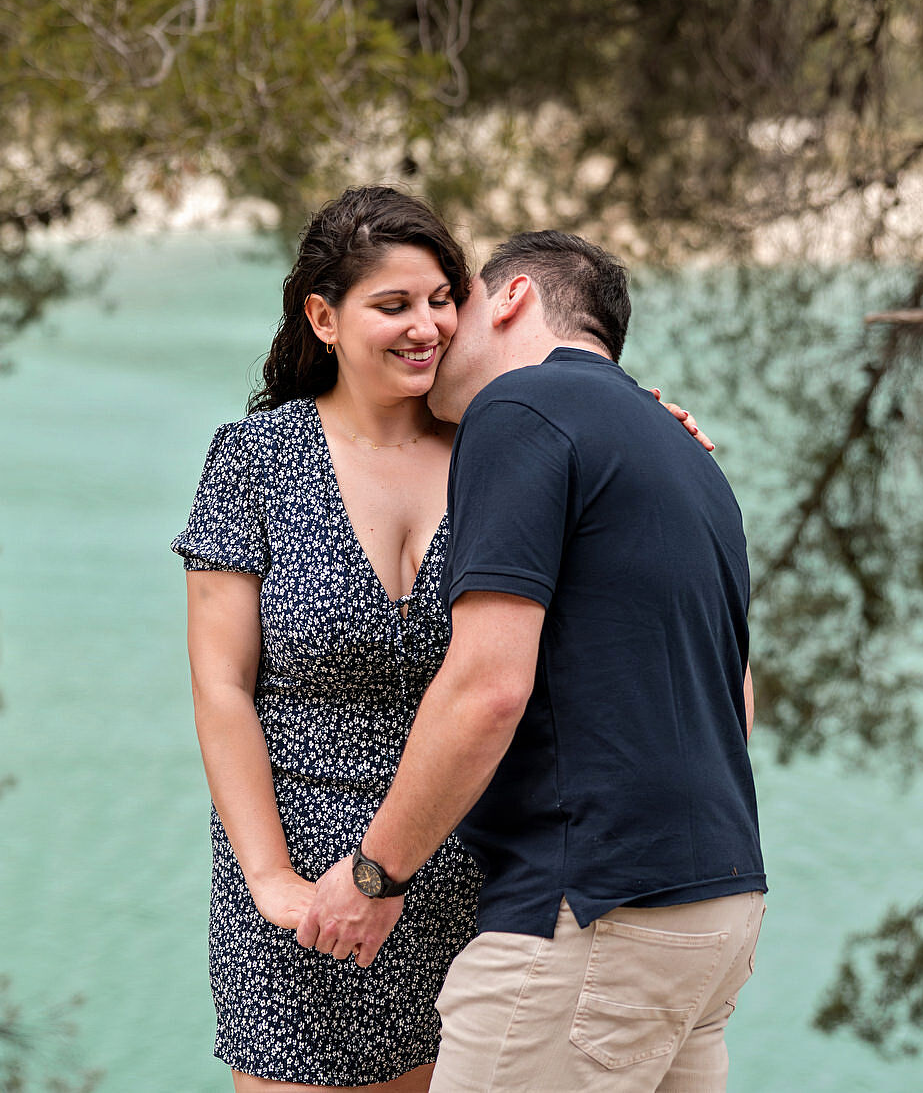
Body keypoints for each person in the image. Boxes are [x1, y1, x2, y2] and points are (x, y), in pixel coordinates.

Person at [173, 193, 712, 1091]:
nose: (426, 327)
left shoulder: (507, 446)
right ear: (324, 317)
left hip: (480, 884)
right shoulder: (254, 459)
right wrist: (269, 879)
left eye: (440, 300)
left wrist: (656, 425)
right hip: (305, 895)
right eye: (393, 306)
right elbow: (221, 687)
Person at [295, 230, 765, 1093]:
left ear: (509, 298)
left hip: (589, 905)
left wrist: (374, 874)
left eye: (453, 300)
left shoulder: (518, 409)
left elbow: (488, 689)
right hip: (719, 904)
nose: (433, 329)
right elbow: (735, 704)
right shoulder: (689, 459)